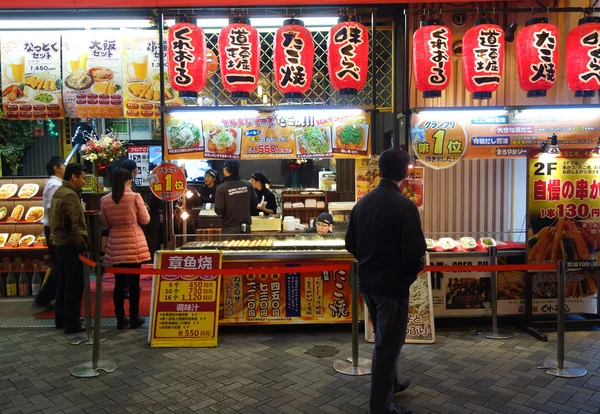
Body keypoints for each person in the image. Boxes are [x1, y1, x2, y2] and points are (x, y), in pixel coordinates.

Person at [345, 149, 426, 414]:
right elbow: (415, 253)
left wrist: (369, 262)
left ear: (379, 171)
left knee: (385, 337)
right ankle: (380, 407)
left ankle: (393, 383)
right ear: (405, 173)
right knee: (387, 346)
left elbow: (351, 244)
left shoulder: (363, 203)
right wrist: (408, 275)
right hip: (393, 287)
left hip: (368, 284)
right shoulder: (405, 206)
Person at [101, 168, 151, 330]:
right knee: (134, 284)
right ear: (128, 181)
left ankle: (120, 319)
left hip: (116, 244)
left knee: (119, 284)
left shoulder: (105, 200)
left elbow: (106, 224)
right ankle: (134, 318)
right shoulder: (135, 197)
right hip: (134, 244)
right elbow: (145, 220)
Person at [49, 163, 89, 334]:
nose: (83, 182)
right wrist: (80, 243)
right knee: (74, 285)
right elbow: (71, 223)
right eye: (83, 178)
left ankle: (62, 319)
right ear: (74, 176)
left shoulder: (59, 191)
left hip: (59, 243)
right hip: (70, 245)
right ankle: (72, 323)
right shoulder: (69, 195)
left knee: (63, 283)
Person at [35, 156, 66, 311]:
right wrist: (54, 231)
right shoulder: (54, 185)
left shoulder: (55, 183)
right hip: (53, 229)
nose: (65, 168)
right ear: (56, 167)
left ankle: (49, 297)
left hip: (52, 229)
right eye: (63, 165)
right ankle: (44, 298)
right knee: (58, 266)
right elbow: (52, 210)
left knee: (58, 265)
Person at [215, 160, 257, 234]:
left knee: (229, 246)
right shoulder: (248, 184)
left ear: (225, 169)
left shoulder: (221, 188)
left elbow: (218, 210)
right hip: (246, 228)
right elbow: (255, 204)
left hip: (229, 229)